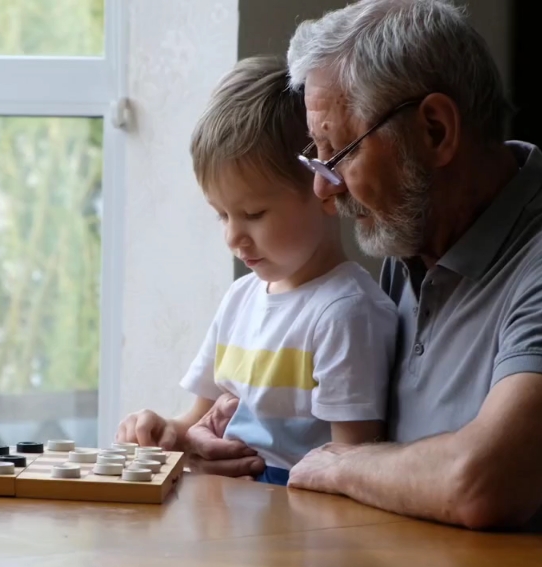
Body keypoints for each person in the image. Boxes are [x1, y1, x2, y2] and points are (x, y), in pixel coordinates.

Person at [183, 0, 542, 559]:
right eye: (314, 161)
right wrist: (223, 440)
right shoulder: (411, 239)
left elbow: (483, 482)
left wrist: (336, 463)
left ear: (436, 131)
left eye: (338, 153)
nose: (325, 189)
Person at [115, 55, 398, 485]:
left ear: (324, 190)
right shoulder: (240, 300)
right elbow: (195, 421)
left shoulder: (346, 314)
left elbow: (351, 464)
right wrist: (164, 433)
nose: (233, 237)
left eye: (253, 213)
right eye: (222, 216)